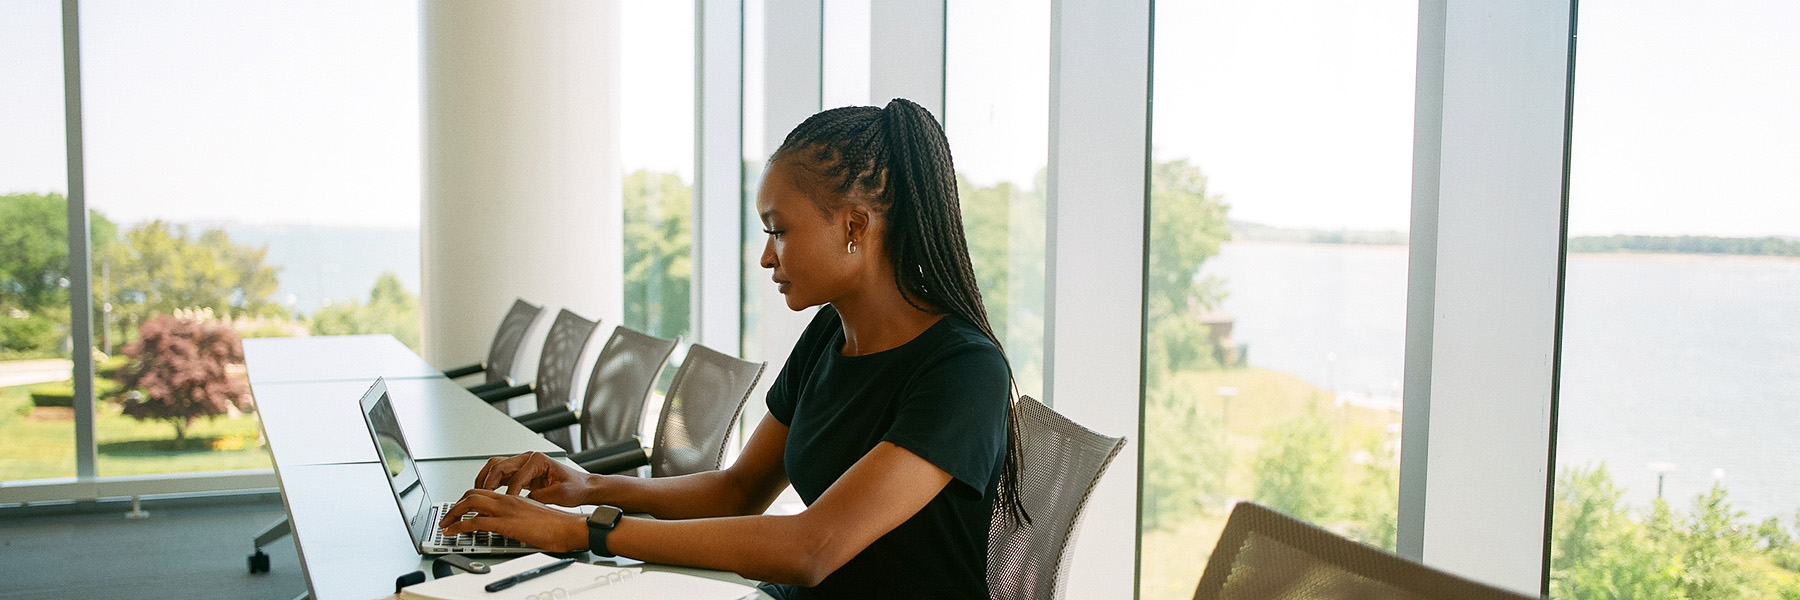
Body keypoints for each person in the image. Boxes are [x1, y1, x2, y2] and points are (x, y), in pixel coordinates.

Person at [436, 98, 1027, 599]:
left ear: (853, 227)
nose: (767, 256)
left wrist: (586, 530)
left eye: (779, 230)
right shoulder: (830, 333)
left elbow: (812, 547)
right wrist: (588, 486)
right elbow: (739, 489)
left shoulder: (964, 370)